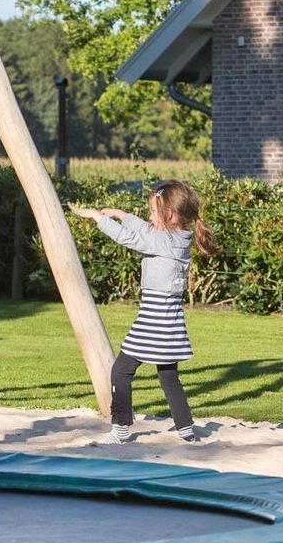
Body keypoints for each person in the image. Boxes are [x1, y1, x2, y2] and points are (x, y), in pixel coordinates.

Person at [69, 180, 220, 444]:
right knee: (168, 376)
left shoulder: (165, 242)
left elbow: (132, 238)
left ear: (169, 215)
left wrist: (98, 218)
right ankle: (186, 429)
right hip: (170, 319)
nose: (149, 217)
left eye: (152, 211)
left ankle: (120, 429)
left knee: (121, 370)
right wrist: (120, 214)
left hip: (155, 315)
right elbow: (147, 230)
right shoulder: (177, 237)